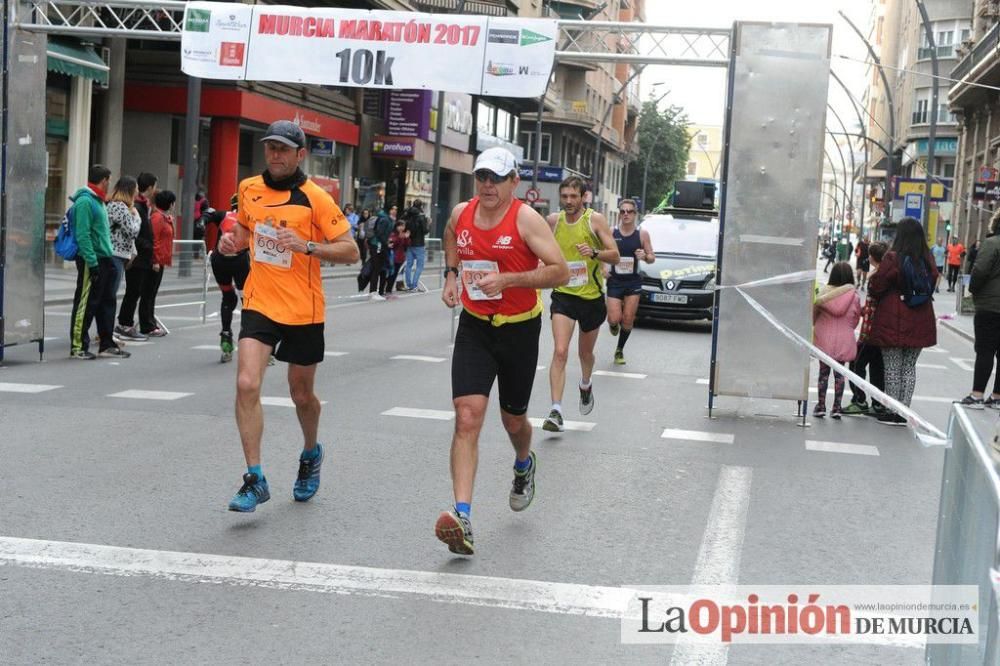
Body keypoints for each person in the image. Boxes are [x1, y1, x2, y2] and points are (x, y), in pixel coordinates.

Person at [217, 119, 358, 512]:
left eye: (284, 149)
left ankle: (311, 452)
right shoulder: (247, 189)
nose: (275, 155)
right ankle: (255, 477)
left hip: (303, 308)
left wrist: (307, 245)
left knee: (301, 394)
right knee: (247, 383)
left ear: (300, 155)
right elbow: (244, 235)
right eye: (270, 147)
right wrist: (231, 244)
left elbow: (351, 250)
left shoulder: (316, 198)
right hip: (261, 301)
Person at [435, 146, 569, 555]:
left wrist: (509, 280)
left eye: (497, 178)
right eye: (482, 177)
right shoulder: (462, 213)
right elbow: (450, 239)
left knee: (514, 421)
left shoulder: (526, 219)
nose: (488, 185)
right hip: (476, 327)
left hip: (519, 330)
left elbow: (560, 270)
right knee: (466, 416)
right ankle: (462, 517)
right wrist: (452, 276)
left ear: (515, 182)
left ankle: (524, 463)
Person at [541, 176, 619, 432]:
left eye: (574, 196)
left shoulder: (594, 220)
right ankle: (556, 410)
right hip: (563, 295)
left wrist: (595, 253)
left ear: (583, 197)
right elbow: (538, 249)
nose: (569, 201)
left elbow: (615, 255)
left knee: (584, 353)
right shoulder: (553, 221)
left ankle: (585, 384)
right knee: (560, 351)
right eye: (564, 196)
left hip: (591, 298)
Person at [867, 217, 938, 425]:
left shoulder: (892, 257)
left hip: (892, 317)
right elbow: (932, 283)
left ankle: (891, 409)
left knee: (892, 366)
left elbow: (877, 286)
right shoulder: (928, 258)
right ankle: (904, 411)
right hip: (921, 318)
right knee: (909, 367)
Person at [69, 164, 130, 359]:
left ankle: (106, 343)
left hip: (105, 257)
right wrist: (92, 262)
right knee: (86, 303)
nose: (109, 184)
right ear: (104, 180)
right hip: (92, 259)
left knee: (106, 302)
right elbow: (83, 235)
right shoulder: (85, 202)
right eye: (109, 180)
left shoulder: (99, 201)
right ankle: (78, 346)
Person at [958, 211, 1000, 409]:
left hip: (990, 307)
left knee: (985, 350)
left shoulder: (992, 244)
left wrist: (973, 289)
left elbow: (980, 271)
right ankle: (997, 396)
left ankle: (977, 395)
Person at [605, 198, 653, 365]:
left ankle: (619, 349)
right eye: (622, 211)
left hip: (633, 282)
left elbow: (652, 257)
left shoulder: (642, 234)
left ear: (635, 214)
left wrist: (645, 257)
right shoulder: (611, 232)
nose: (625, 214)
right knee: (613, 318)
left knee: (628, 317)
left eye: (629, 211)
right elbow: (600, 252)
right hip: (615, 280)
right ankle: (612, 324)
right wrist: (603, 268)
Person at [844, 241, 889, 416]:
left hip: (870, 331)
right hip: (878, 331)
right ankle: (877, 403)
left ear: (872, 257)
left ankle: (859, 399)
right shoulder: (884, 275)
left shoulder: (877, 276)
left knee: (856, 363)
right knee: (877, 367)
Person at [812, 262, 861, 419]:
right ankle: (837, 408)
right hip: (844, 339)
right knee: (840, 375)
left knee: (823, 374)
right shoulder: (854, 297)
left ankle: (820, 406)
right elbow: (855, 319)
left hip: (823, 338)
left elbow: (813, 318)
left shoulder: (822, 296)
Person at [116, 172, 157, 342]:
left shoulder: (142, 206)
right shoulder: (135, 208)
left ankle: (125, 323)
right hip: (135, 257)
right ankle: (125, 323)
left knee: (135, 291)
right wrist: (148, 247)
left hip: (138, 256)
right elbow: (135, 233)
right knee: (133, 291)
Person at [209, 193, 251, 362]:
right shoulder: (249, 219)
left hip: (219, 261)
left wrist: (202, 221)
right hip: (240, 261)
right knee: (247, 300)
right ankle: (255, 345)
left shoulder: (223, 215)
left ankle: (226, 338)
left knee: (228, 297)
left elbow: (207, 214)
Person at [142, 190, 176, 338]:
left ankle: (150, 322)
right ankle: (147, 325)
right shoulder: (158, 218)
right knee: (148, 294)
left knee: (152, 293)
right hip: (155, 261)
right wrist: (155, 260)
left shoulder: (162, 217)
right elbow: (154, 239)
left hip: (160, 260)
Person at [106, 176, 141, 307]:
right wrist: (137, 218)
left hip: (117, 255)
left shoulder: (118, 206)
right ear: (130, 190)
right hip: (115, 254)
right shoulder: (119, 207)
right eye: (136, 188)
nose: (137, 191)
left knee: (110, 293)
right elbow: (132, 231)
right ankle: (105, 326)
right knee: (110, 294)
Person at [403, 199, 430, 292]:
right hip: (419, 244)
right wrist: (428, 224)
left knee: (409, 265)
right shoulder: (421, 217)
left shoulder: (408, 215)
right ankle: (414, 285)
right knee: (419, 266)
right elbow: (425, 231)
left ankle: (409, 284)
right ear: (421, 206)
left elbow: (404, 228)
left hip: (410, 243)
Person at [367, 205, 393, 300]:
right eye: (393, 209)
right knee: (376, 269)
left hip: (376, 245)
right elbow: (380, 233)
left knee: (377, 269)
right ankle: (373, 292)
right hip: (378, 246)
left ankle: (375, 291)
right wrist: (386, 244)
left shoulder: (381, 218)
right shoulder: (385, 219)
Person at [385, 218, 410, 299]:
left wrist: (406, 238)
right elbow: (393, 243)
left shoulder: (403, 234)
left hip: (400, 257)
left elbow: (406, 245)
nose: (401, 228)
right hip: (393, 257)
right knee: (391, 275)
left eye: (403, 226)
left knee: (395, 275)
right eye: (400, 226)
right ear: (396, 226)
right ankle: (387, 291)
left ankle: (389, 291)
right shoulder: (393, 234)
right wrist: (400, 237)